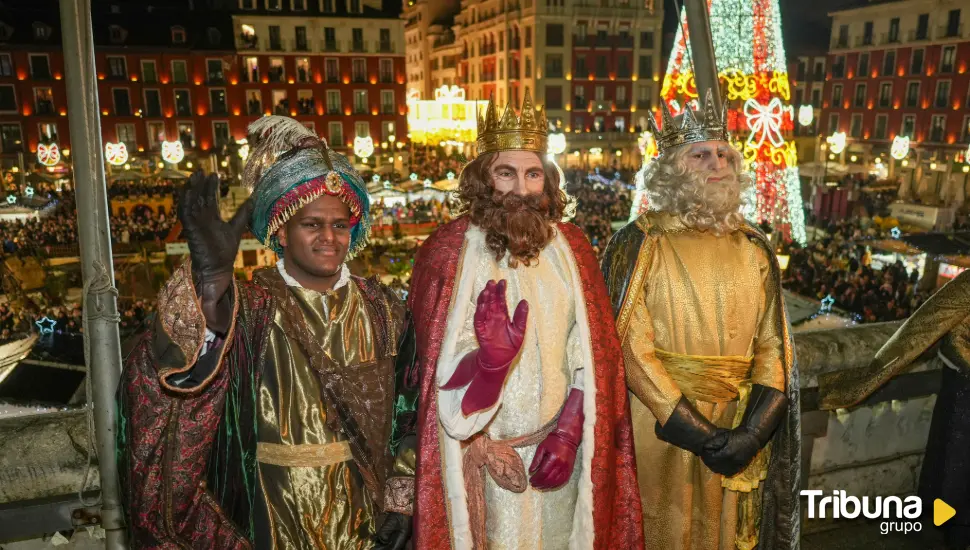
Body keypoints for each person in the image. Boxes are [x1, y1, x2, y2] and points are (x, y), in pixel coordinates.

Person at [118, 116, 417, 549]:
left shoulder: (384, 309)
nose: (329, 237)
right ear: (280, 229)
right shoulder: (251, 308)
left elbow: (413, 407)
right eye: (312, 224)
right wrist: (210, 283)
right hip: (274, 512)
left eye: (339, 224)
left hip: (366, 511)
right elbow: (173, 366)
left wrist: (402, 498)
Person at [408, 92, 643, 549]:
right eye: (506, 172)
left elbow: (592, 357)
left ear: (548, 181)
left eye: (533, 174)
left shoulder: (572, 249)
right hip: (483, 463)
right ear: (483, 179)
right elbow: (430, 379)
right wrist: (490, 365)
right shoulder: (448, 253)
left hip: (559, 457)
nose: (520, 188)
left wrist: (571, 432)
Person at [601, 91, 801, 550]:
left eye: (724, 155)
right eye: (701, 154)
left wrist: (750, 435)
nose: (718, 164)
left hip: (737, 421)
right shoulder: (639, 241)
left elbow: (774, 345)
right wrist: (700, 432)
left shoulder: (755, 246)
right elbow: (629, 347)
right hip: (658, 425)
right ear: (672, 168)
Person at [818, 269, 970, 548]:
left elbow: (922, 329)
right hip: (962, 396)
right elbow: (922, 329)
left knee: (956, 479)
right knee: (956, 480)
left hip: (962, 396)